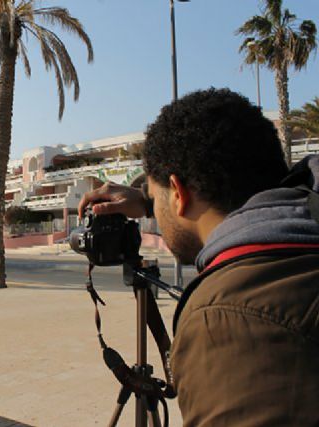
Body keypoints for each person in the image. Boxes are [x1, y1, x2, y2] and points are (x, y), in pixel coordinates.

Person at [78, 88, 319, 426]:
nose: (154, 212)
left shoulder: (227, 320)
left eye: (155, 195)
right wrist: (150, 199)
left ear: (178, 193)